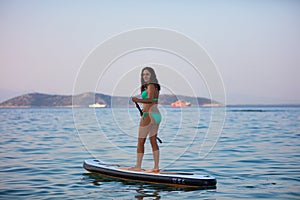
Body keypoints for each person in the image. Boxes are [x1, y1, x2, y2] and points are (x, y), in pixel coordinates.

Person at [130, 67, 162, 173]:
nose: (145, 76)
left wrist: (137, 100)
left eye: (147, 74)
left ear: (152, 75)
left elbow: (151, 100)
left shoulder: (151, 86)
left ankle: (138, 166)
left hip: (149, 115)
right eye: (143, 74)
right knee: (153, 141)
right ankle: (156, 167)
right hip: (156, 115)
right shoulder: (153, 86)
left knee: (140, 142)